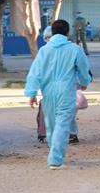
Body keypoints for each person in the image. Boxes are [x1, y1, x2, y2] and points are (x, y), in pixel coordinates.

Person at [25, 20, 92, 169]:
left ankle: (54, 154)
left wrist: (32, 92)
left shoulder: (44, 50)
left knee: (51, 123)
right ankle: (55, 159)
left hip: (47, 90)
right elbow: (83, 69)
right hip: (66, 90)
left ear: (52, 32)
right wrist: (84, 82)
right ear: (67, 32)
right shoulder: (75, 49)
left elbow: (35, 73)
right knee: (62, 124)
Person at [36, 27, 81, 144]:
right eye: (46, 38)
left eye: (49, 37)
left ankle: (70, 134)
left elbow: (82, 68)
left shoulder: (72, 49)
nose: (48, 40)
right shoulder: (45, 51)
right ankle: (46, 133)